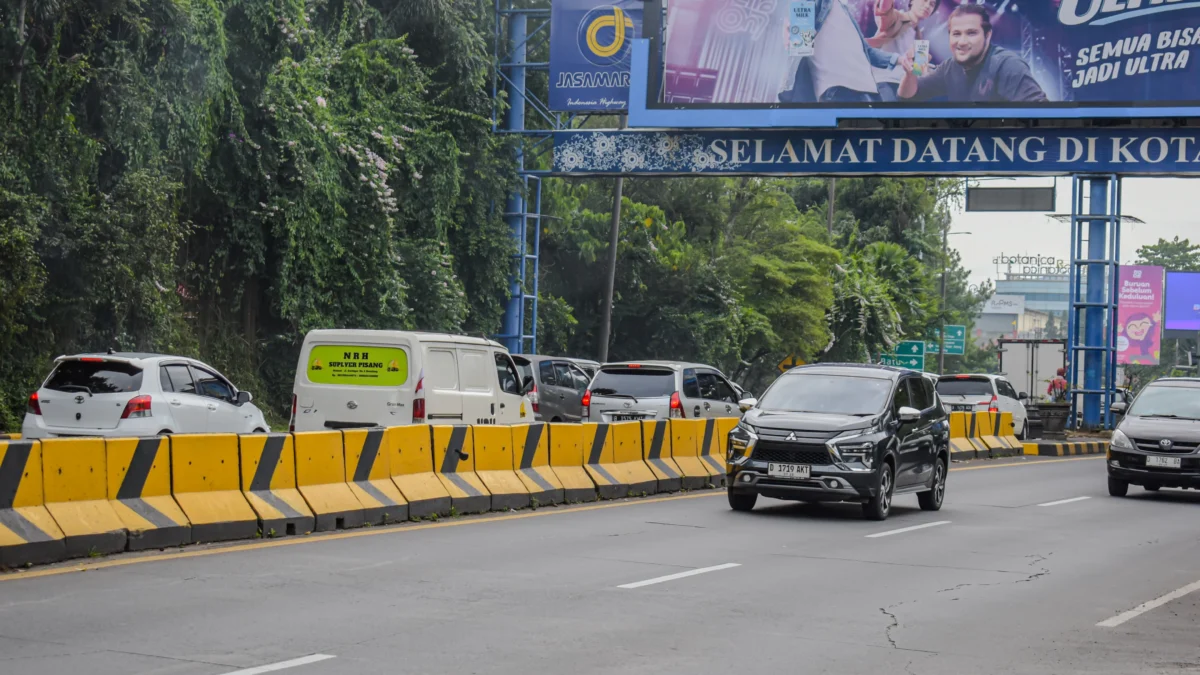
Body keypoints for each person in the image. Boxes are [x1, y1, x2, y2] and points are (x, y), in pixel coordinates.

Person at [897, 4, 1047, 103]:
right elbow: (907, 98)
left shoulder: (1008, 65)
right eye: (956, 34)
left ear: (987, 36)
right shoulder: (949, 68)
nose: (962, 41)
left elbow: (1043, 114)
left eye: (971, 33)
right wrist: (910, 75)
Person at [778, 0, 902, 104]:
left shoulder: (845, 12)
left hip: (867, 89)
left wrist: (900, 60)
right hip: (837, 89)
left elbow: (868, 51)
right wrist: (797, 35)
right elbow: (799, 46)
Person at [866, 0, 939, 102]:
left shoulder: (920, 38)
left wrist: (933, 70)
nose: (927, 6)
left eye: (932, 4)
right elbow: (884, 9)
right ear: (912, 2)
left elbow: (919, 71)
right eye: (925, 0)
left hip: (905, 89)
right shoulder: (896, 18)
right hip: (884, 82)